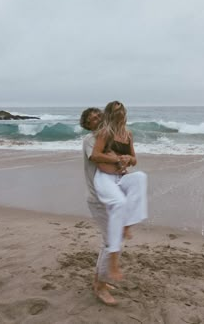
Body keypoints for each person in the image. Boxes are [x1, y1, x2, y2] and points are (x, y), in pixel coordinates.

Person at [91, 101, 147, 285]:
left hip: (121, 176)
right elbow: (95, 155)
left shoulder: (128, 134)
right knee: (119, 204)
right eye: (116, 112)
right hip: (105, 178)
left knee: (140, 177)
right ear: (110, 114)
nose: (120, 115)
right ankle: (113, 262)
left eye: (121, 112)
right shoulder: (105, 132)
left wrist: (128, 158)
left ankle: (127, 224)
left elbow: (134, 159)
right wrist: (115, 158)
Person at [80, 107, 122, 305]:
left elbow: (116, 168)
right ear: (87, 125)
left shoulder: (108, 140)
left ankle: (99, 280)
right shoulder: (91, 140)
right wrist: (117, 159)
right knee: (111, 241)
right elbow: (96, 158)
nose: (96, 118)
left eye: (98, 114)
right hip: (97, 199)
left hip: (111, 197)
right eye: (91, 118)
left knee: (112, 240)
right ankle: (100, 286)